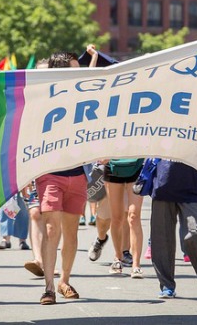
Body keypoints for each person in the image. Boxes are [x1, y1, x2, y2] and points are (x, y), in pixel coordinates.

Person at [36, 51, 91, 305]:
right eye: (74, 69)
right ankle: (48, 287)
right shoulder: (42, 97)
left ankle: (64, 281)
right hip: (50, 174)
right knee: (51, 229)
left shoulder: (84, 97)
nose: (78, 73)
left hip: (77, 173)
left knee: (71, 233)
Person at [150, 160, 197, 299]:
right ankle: (166, 285)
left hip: (192, 186)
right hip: (163, 184)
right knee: (161, 238)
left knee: (195, 232)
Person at [103, 159, 144, 278]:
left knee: (134, 216)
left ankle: (136, 266)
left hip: (136, 166)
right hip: (113, 167)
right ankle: (118, 258)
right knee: (117, 217)